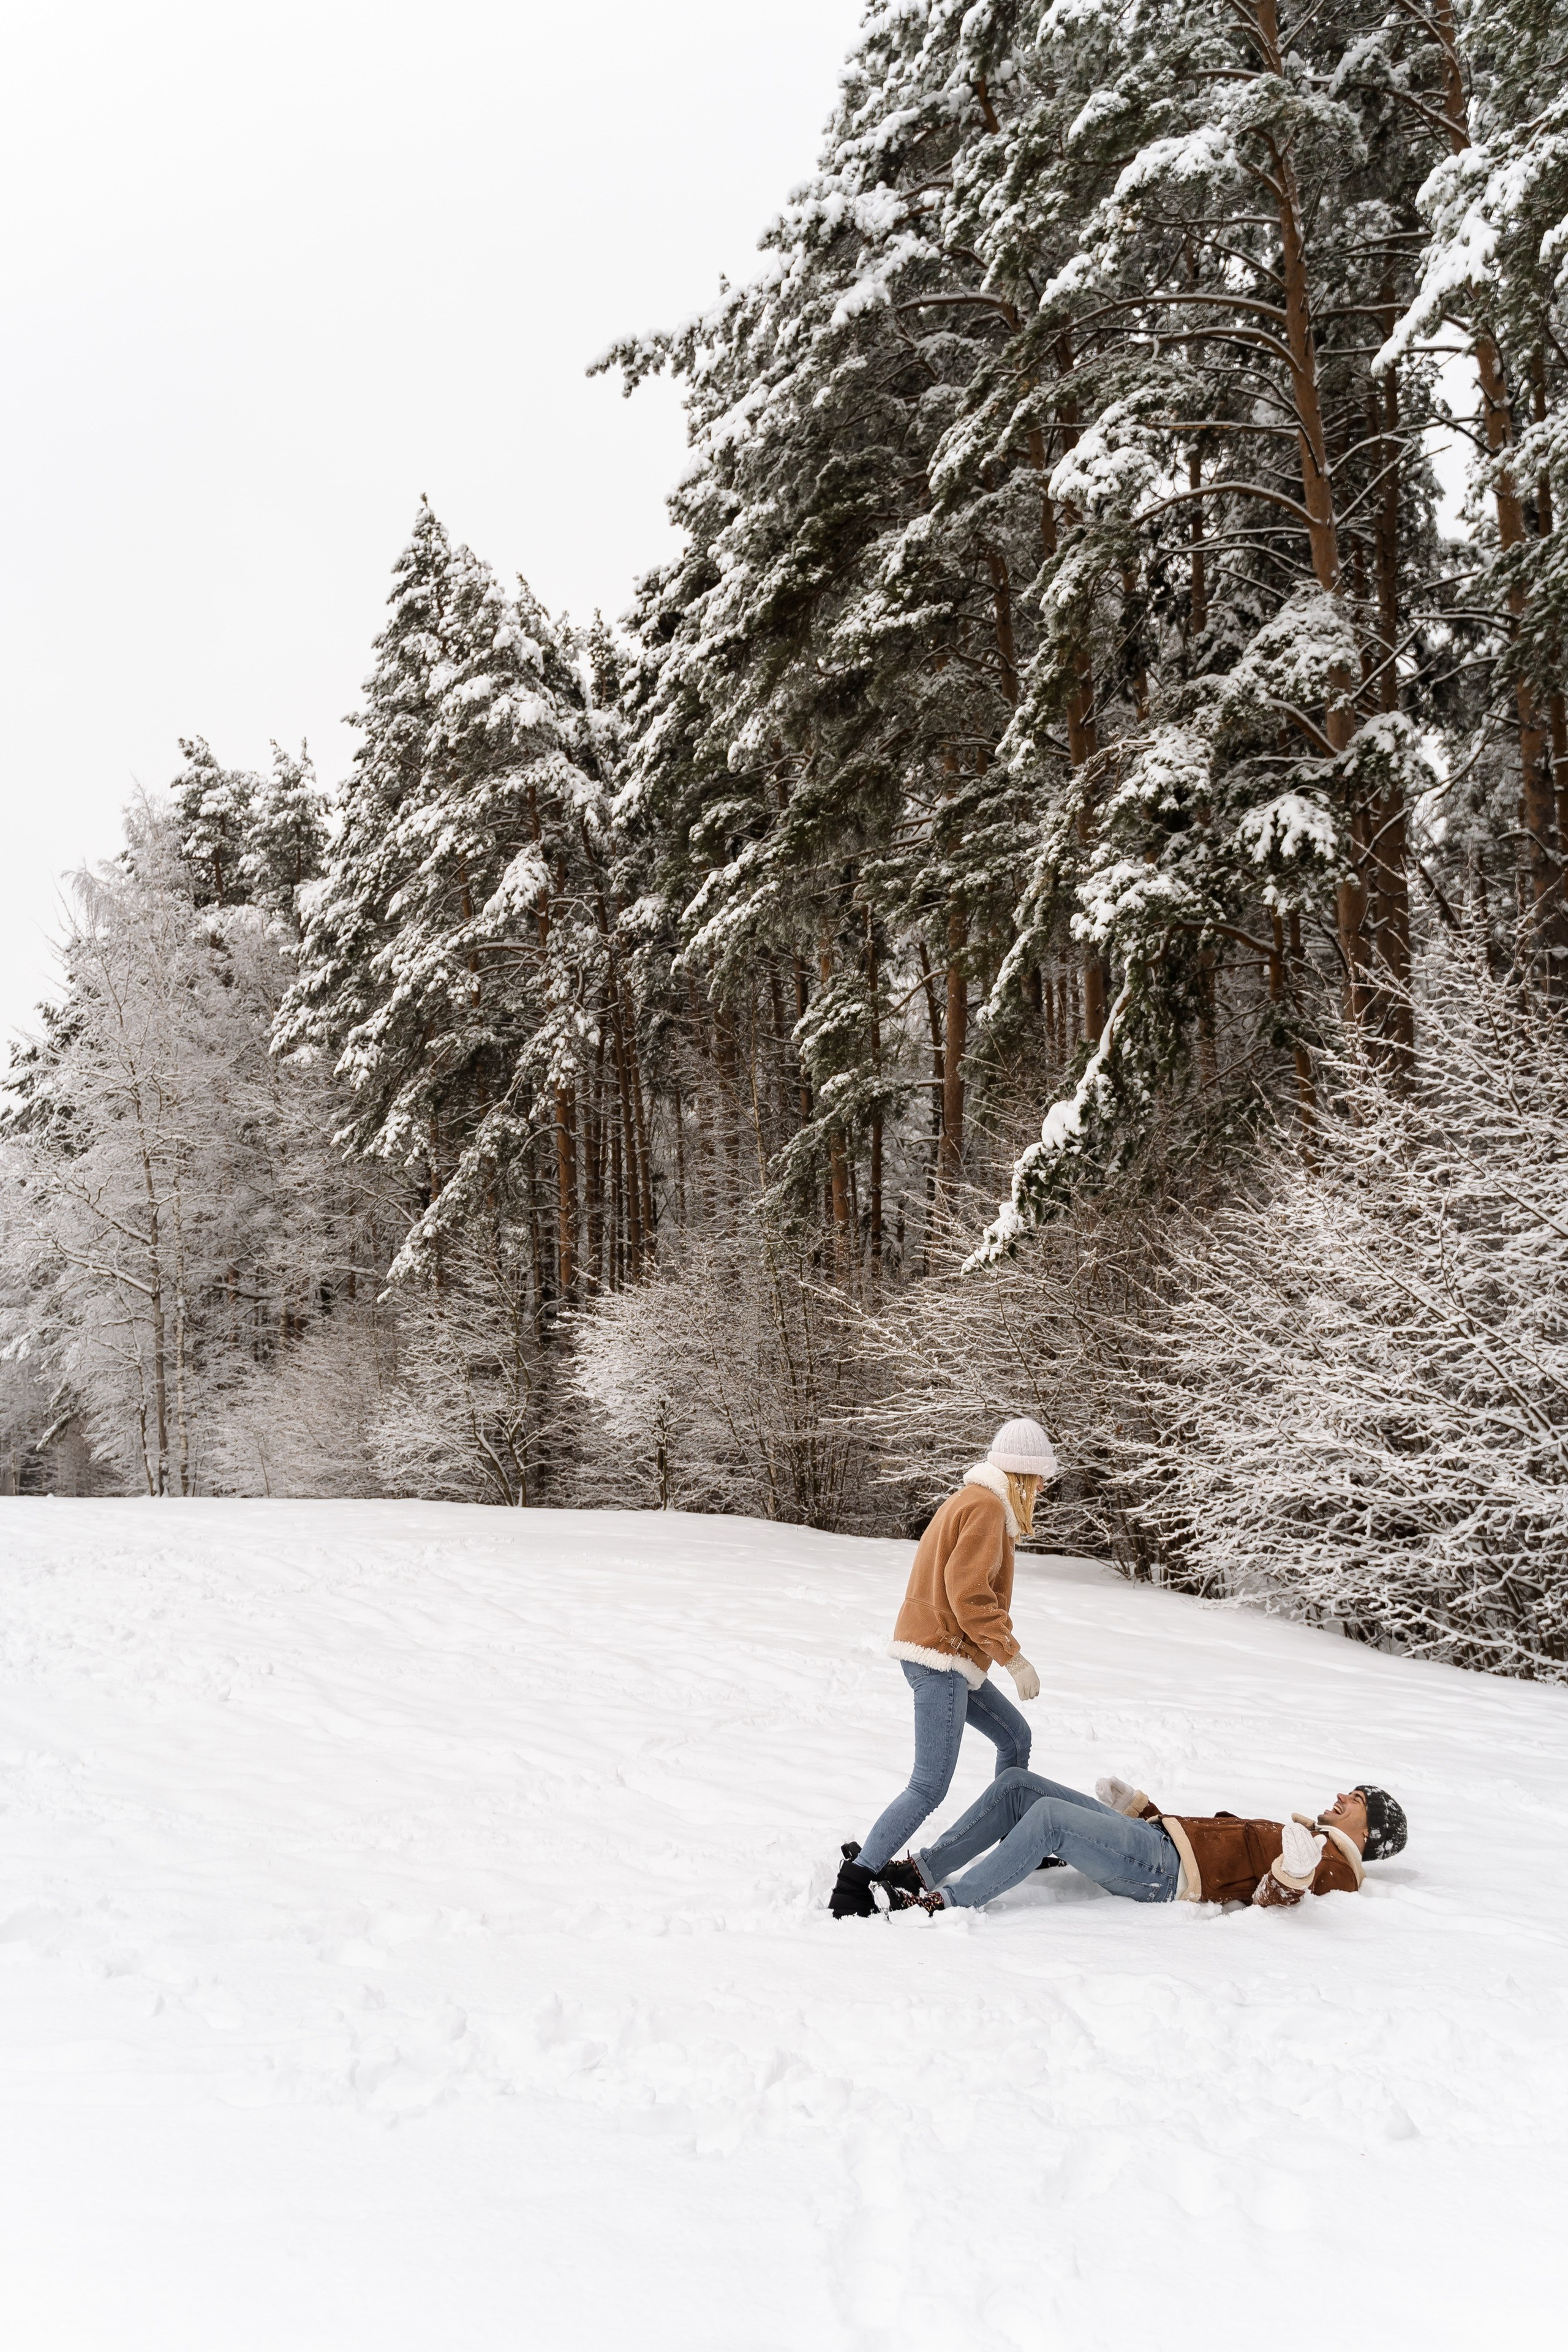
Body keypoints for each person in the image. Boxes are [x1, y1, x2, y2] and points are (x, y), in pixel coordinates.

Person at [829, 1417, 1060, 1920]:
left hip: (947, 1657)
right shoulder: (984, 1508)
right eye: (1039, 1476)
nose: (1044, 1486)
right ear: (1019, 1475)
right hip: (942, 1660)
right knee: (929, 1784)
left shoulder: (977, 1501)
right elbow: (968, 1592)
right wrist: (1012, 1656)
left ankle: (1013, 1839)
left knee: (1014, 1737)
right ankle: (855, 1881)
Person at [858, 1767, 1408, 1915]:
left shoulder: (1337, 1868)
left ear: (1368, 1830)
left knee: (1049, 1815)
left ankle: (943, 1904)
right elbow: (1219, 1845)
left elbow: (1272, 1900)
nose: (1342, 1795)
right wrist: (1143, 1811)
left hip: (1165, 1874)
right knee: (1018, 1786)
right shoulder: (1310, 1838)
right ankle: (922, 1870)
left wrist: (1292, 1875)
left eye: (1356, 1798)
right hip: (1155, 1841)